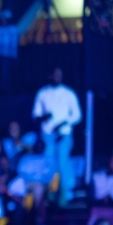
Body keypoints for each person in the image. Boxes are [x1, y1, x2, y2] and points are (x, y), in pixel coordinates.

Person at [32, 67, 82, 205]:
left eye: (60, 75)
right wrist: (45, 117)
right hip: (47, 135)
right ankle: (50, 191)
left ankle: (68, 190)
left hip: (64, 134)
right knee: (49, 161)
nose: (57, 77)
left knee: (63, 159)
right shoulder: (42, 93)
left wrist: (65, 123)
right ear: (50, 76)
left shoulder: (68, 93)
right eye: (55, 75)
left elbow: (77, 115)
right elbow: (35, 115)